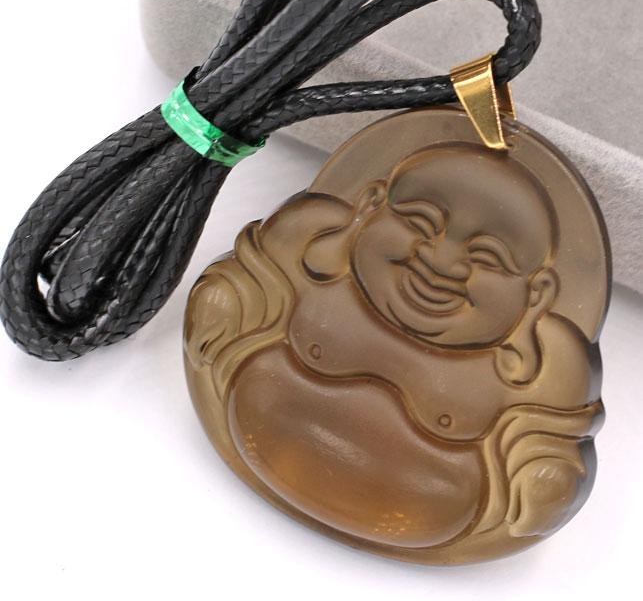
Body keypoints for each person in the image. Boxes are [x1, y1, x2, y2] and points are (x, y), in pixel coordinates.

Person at [185, 144, 603, 560]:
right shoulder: (311, 237)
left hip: (427, 512)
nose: (441, 262)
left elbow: (549, 447)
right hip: (259, 433)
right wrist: (223, 303)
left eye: (488, 257)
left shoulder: (552, 357)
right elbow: (246, 282)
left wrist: (545, 481)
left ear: (536, 293)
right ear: (369, 206)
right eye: (421, 222)